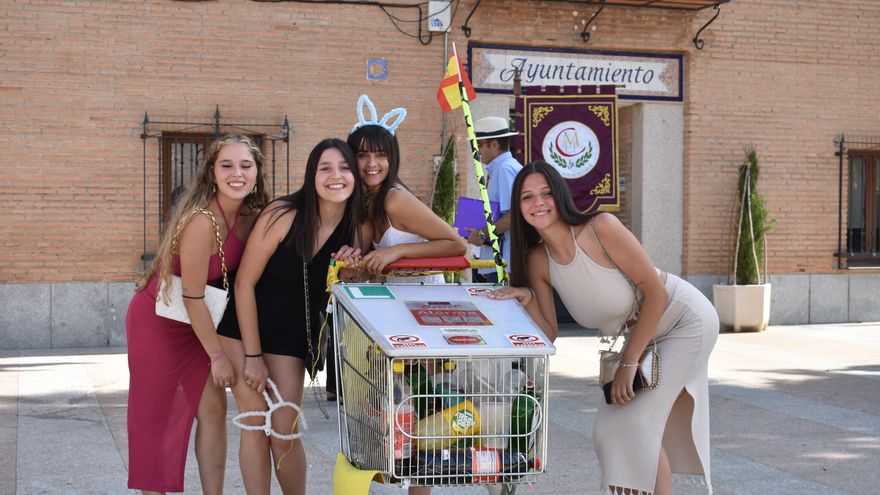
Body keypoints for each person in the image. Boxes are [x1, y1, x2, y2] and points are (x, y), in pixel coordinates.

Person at [489, 161, 718, 495]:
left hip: (684, 321)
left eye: (546, 193)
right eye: (527, 197)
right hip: (644, 337)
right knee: (614, 428)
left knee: (634, 422)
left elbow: (656, 293)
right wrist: (527, 299)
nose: (537, 203)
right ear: (518, 207)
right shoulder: (538, 260)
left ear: (561, 196)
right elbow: (548, 333)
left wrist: (628, 363)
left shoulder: (600, 228)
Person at [217, 138, 366, 495]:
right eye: (325, 168)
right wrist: (252, 357)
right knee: (254, 424)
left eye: (344, 168)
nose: (336, 176)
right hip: (242, 329)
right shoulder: (283, 214)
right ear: (311, 175)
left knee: (284, 426)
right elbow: (244, 284)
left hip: (291, 336)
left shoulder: (355, 228)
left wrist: (351, 270)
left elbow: (341, 288)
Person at [126, 135, 270, 494]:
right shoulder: (201, 221)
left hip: (200, 323)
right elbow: (191, 297)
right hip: (160, 323)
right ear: (212, 173)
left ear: (256, 172)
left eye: (245, 165)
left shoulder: (251, 216)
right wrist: (218, 356)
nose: (237, 173)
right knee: (155, 417)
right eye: (227, 165)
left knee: (213, 409)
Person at [347, 95, 466, 495]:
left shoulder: (395, 197)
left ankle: (421, 489)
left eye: (380, 155)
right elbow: (361, 261)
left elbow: (454, 243)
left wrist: (396, 250)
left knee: (426, 407)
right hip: (396, 316)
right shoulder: (366, 204)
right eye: (362, 156)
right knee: (402, 409)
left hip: (427, 312)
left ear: (392, 158)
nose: (371, 164)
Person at [466, 116, 522, 283]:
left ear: (495, 144)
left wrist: (482, 234)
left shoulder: (505, 169)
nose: (476, 150)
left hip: (506, 265)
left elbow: (514, 215)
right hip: (497, 263)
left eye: (479, 144)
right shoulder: (499, 169)